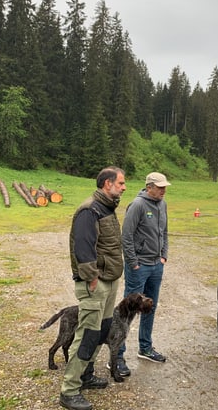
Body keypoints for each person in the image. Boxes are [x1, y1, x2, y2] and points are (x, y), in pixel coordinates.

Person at [59, 167, 126, 410]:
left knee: (101, 330)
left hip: (109, 281)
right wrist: (91, 279)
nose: (124, 187)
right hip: (95, 284)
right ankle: (69, 390)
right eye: (120, 183)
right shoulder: (90, 210)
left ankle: (86, 375)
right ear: (107, 184)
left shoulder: (107, 208)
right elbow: (83, 248)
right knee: (87, 334)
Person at [111, 171, 170, 377]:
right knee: (128, 311)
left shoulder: (162, 205)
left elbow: (165, 232)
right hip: (139, 267)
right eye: (160, 187)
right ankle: (117, 356)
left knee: (150, 307)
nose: (163, 190)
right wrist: (134, 263)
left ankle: (145, 348)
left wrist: (164, 256)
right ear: (149, 187)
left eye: (164, 187)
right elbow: (126, 236)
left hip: (156, 266)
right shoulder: (137, 205)